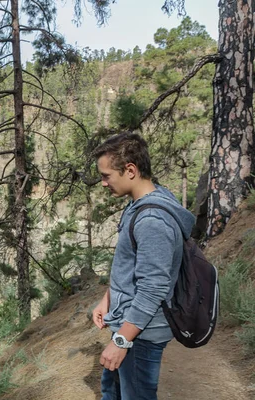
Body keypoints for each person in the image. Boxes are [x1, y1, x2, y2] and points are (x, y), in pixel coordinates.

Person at [91, 132, 195, 400]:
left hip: (141, 332)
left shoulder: (152, 220)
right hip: (129, 322)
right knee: (111, 391)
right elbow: (133, 265)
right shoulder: (144, 200)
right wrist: (108, 298)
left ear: (130, 170)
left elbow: (153, 288)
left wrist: (122, 341)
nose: (103, 183)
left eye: (106, 176)